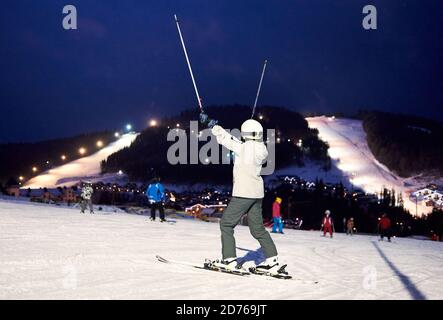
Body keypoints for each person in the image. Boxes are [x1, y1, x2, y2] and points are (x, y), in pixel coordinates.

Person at [200, 112, 284, 275]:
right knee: (257, 229)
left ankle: (229, 260)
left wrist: (212, 125)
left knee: (226, 224)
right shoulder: (260, 148)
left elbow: (227, 140)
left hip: (243, 193)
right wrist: (215, 126)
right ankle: (272, 261)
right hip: (257, 194)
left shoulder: (244, 148)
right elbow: (235, 142)